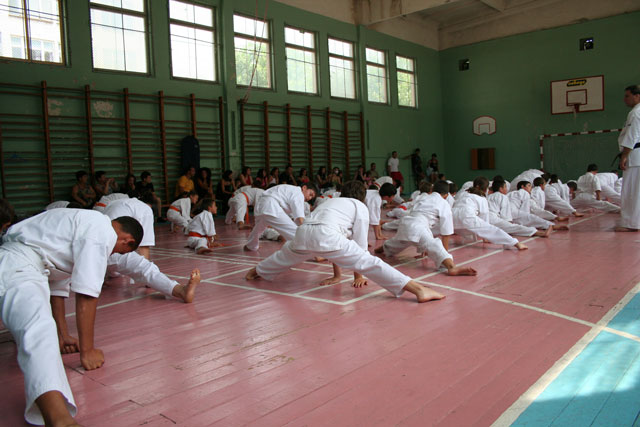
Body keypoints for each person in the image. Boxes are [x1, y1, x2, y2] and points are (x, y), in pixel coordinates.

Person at [0, 209, 142, 425]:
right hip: (17, 265)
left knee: (43, 328)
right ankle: (60, 420)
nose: (114, 253)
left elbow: (57, 289)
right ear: (127, 241)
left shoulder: (79, 227)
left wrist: (63, 335)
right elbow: (87, 294)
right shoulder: (101, 231)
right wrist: (88, 351)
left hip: (19, 263)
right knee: (38, 329)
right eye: (120, 251)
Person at [245, 180, 446, 303]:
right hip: (326, 235)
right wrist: (358, 275)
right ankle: (419, 290)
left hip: (304, 232)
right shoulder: (359, 206)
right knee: (371, 262)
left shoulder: (330, 201)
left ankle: (256, 271)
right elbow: (360, 248)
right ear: (362, 197)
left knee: (285, 255)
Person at [375, 181, 477, 276]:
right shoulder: (443, 203)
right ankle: (452, 267)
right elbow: (446, 233)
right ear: (446, 195)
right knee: (435, 245)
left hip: (405, 223)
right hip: (418, 226)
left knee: (395, 243)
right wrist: (444, 253)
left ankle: (380, 249)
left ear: (432, 190)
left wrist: (424, 245)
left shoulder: (423, 197)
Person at [452, 177, 528, 250]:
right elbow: (484, 218)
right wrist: (485, 237)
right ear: (486, 188)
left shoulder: (463, 194)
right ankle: (515, 243)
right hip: (467, 216)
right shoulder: (482, 199)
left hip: (452, 218)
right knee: (493, 230)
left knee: (468, 229)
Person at [244, 183, 318, 251]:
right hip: (271, 206)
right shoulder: (299, 194)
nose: (309, 198)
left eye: (311, 197)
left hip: (260, 205)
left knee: (258, 228)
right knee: (294, 231)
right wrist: (309, 232)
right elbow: (300, 219)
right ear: (304, 188)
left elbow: (297, 219)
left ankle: (251, 245)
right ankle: (314, 251)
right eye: (310, 194)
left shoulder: (291, 189)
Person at [487, 179, 551, 238]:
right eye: (505, 187)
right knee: (514, 227)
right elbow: (505, 215)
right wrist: (508, 222)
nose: (506, 189)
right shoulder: (503, 196)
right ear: (501, 189)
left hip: (486, 219)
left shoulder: (488, 197)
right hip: (494, 219)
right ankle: (538, 233)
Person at [616, 85, 640, 232]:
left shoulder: (636, 113)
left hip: (635, 156)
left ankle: (631, 224)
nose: (625, 99)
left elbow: (632, 136)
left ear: (637, 96)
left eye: (627, 96)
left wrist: (624, 156)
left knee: (631, 192)